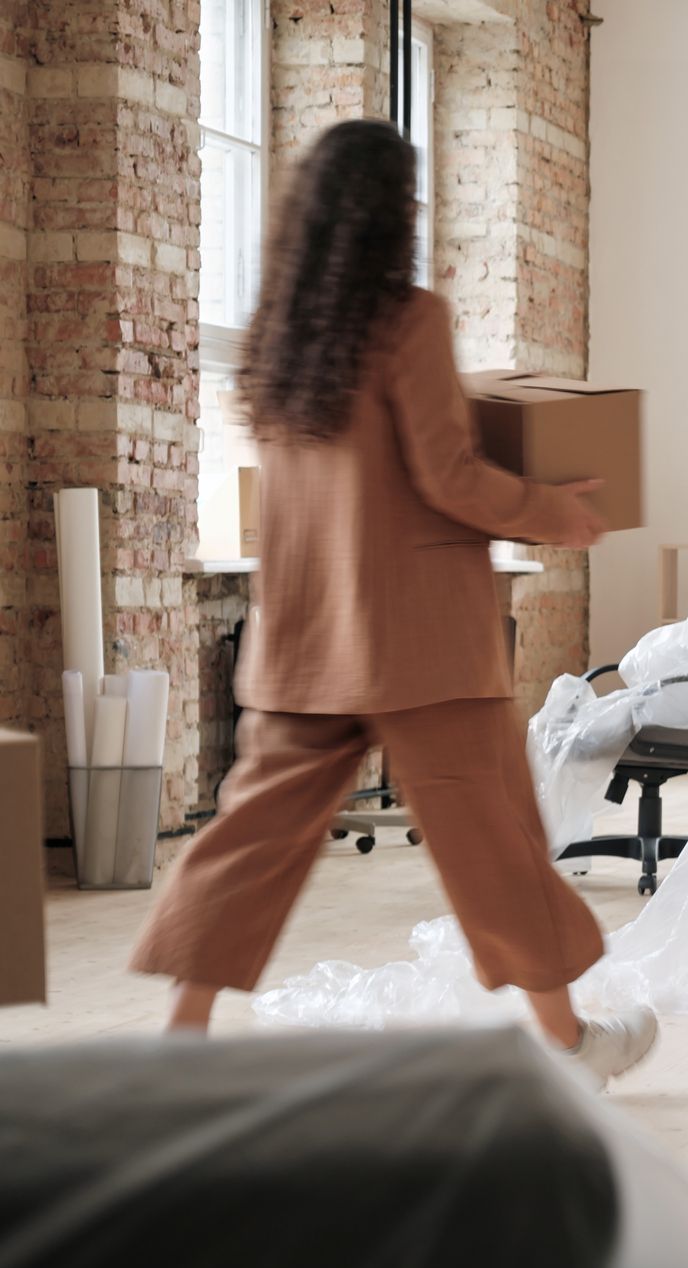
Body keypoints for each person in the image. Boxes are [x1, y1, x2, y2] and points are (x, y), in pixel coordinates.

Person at [128, 120, 656, 1084]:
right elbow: (449, 476)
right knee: (494, 841)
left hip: (301, 638)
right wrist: (556, 515)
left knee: (246, 843)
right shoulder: (410, 320)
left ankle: (179, 1044)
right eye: (407, 200)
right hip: (420, 643)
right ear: (384, 215)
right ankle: (570, 1044)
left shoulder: (279, 342)